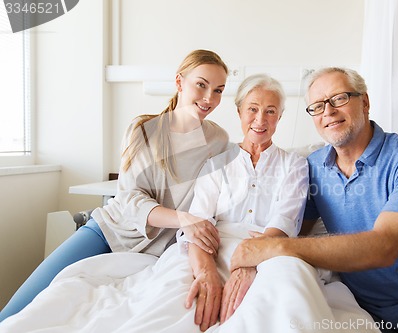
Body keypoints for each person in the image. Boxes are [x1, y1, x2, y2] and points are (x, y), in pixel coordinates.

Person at [230, 67, 398, 333]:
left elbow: (385, 246)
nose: (328, 111)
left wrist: (275, 248)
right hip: (362, 313)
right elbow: (290, 228)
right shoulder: (312, 167)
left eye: (339, 98)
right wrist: (255, 263)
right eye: (317, 106)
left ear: (365, 102)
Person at [0, 49, 231, 322]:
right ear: (180, 82)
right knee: (20, 308)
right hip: (108, 231)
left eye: (218, 90)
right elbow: (130, 199)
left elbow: (216, 194)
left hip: (157, 250)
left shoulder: (218, 140)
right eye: (201, 85)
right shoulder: (144, 129)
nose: (209, 98)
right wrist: (184, 219)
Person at [181, 73, 309, 331]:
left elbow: (283, 223)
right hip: (212, 250)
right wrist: (206, 272)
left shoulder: (295, 165)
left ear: (280, 118)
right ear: (239, 111)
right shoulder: (215, 164)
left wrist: (250, 261)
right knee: (182, 308)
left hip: (271, 253)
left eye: (271, 111)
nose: (261, 120)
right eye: (253, 109)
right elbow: (198, 224)